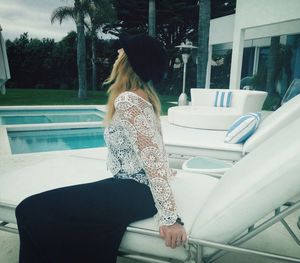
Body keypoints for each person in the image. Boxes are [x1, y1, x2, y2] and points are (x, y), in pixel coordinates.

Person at [15, 33, 187, 263]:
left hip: (134, 190)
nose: (117, 54)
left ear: (131, 62)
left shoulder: (129, 101)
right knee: (33, 210)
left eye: (122, 51)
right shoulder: (144, 98)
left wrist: (171, 218)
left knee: (30, 210)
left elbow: (152, 159)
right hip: (132, 188)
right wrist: (167, 172)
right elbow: (156, 148)